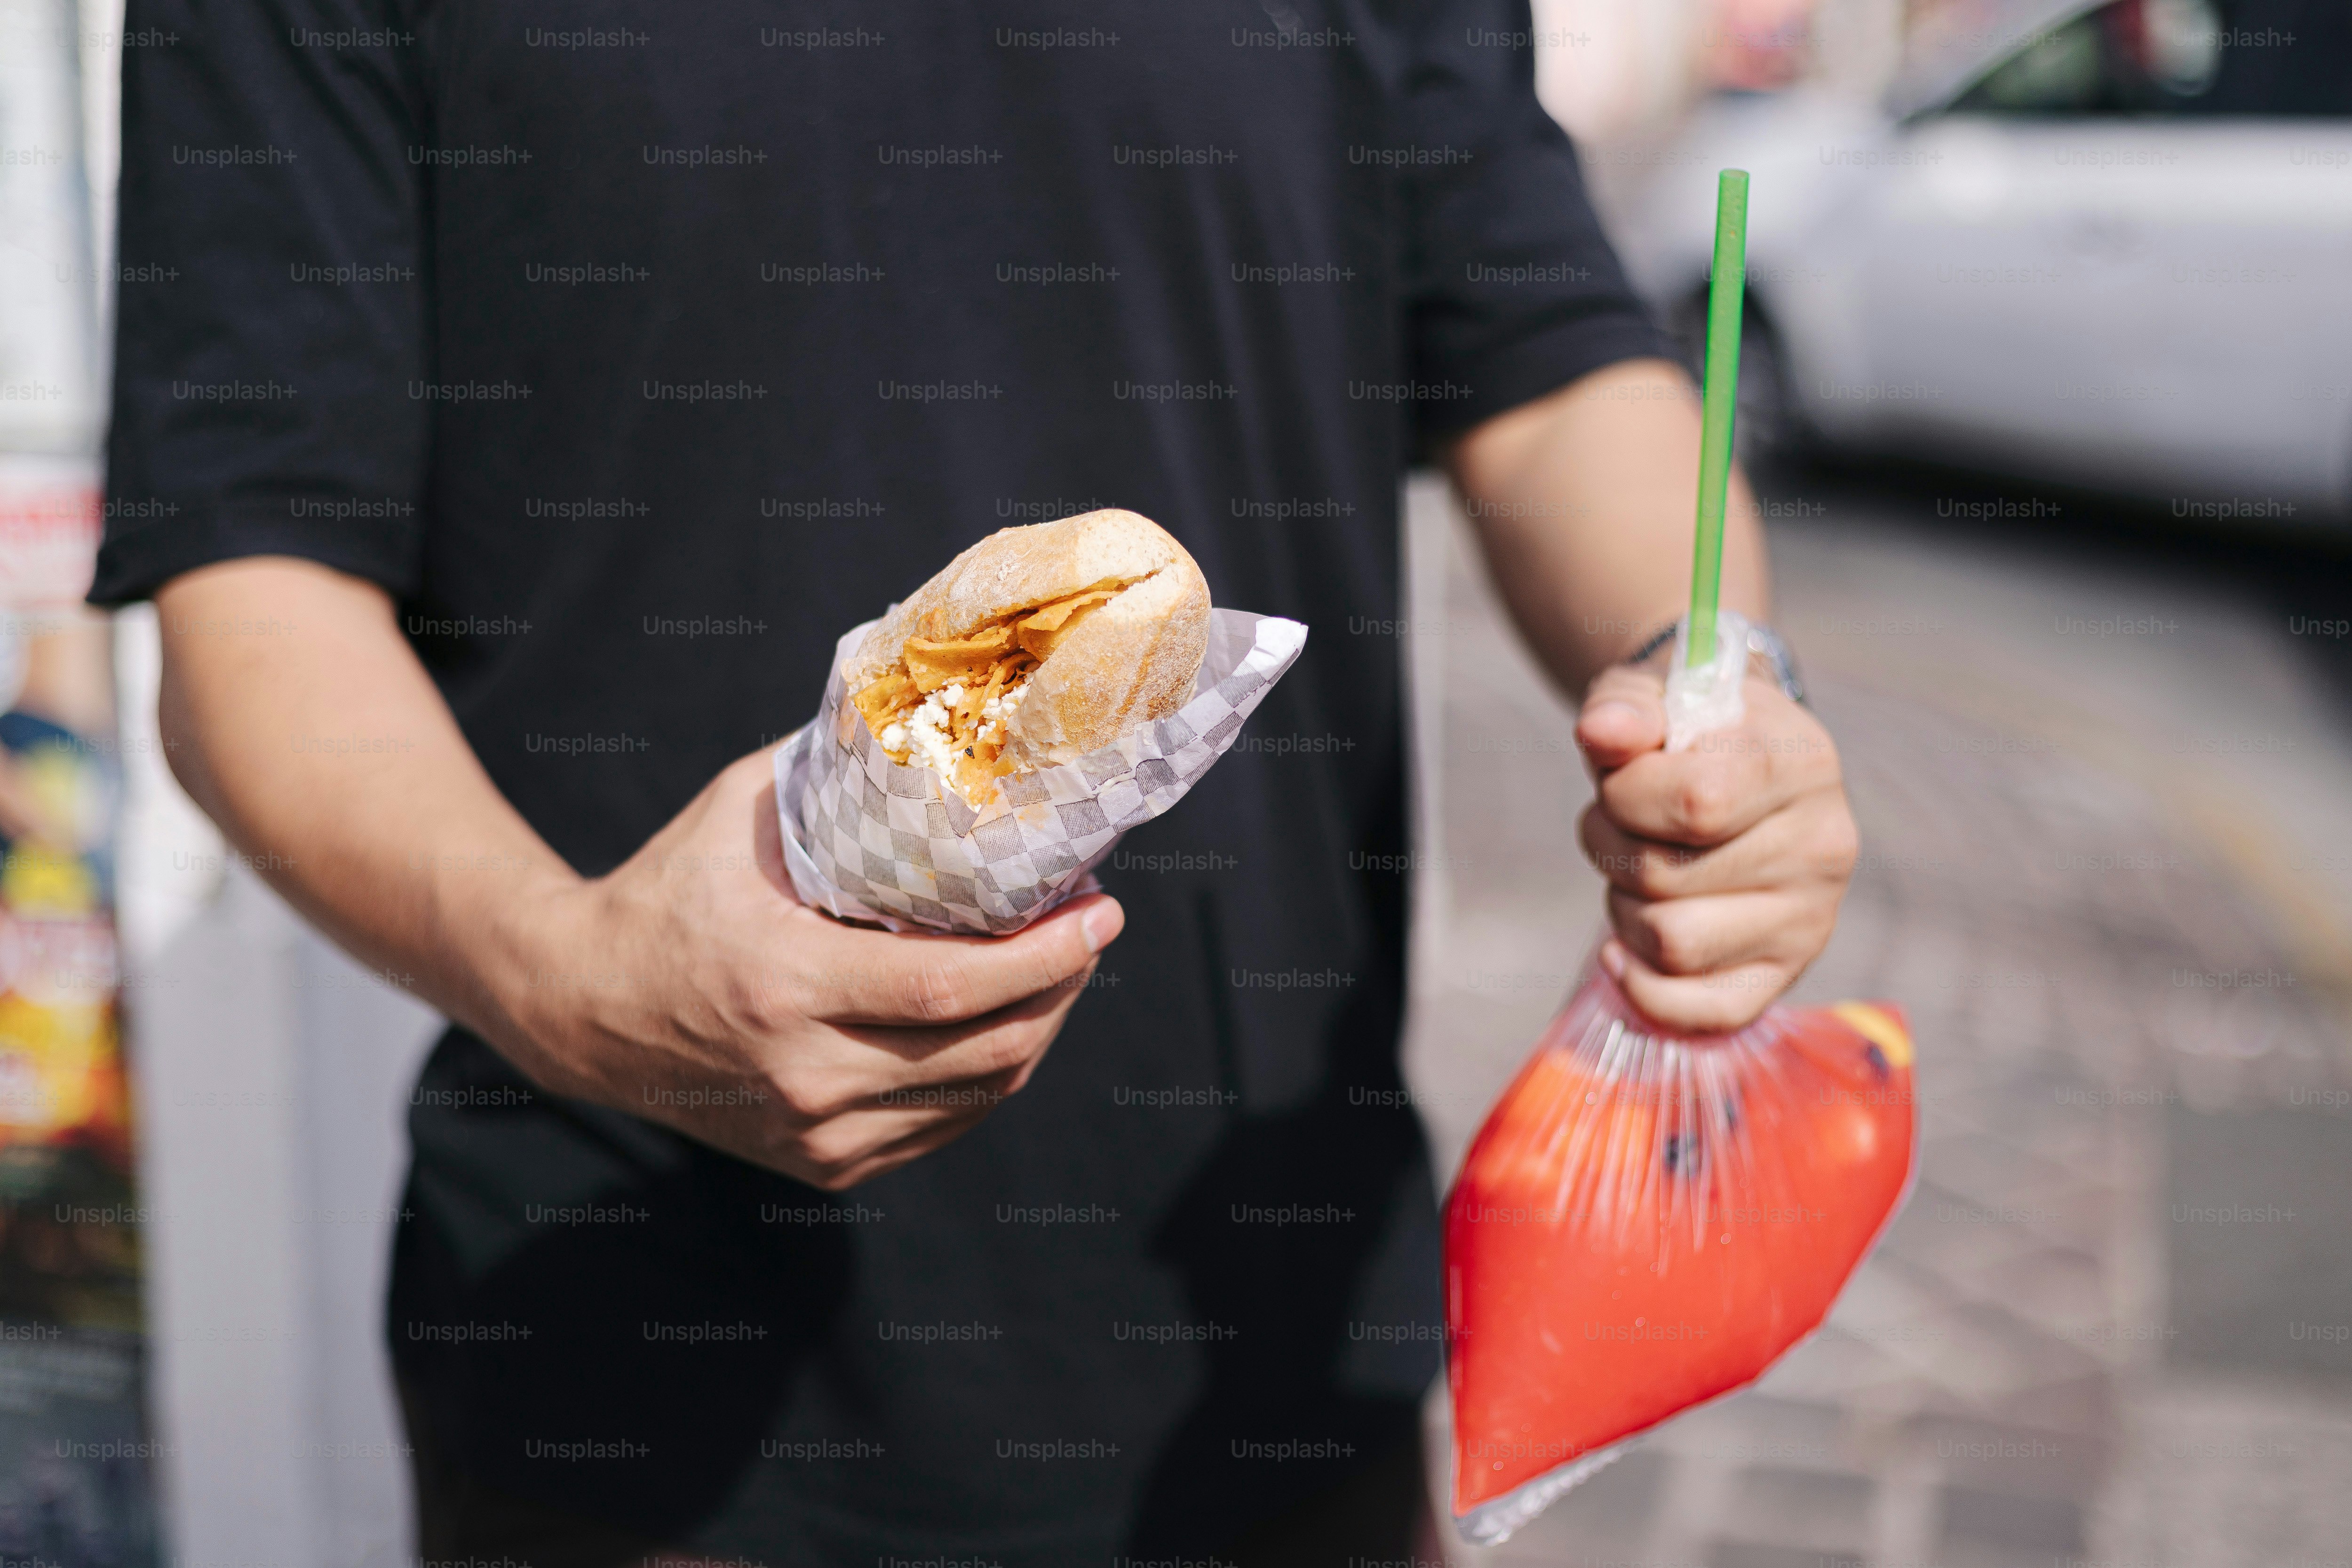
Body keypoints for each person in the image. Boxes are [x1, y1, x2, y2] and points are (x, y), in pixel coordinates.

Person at [100, 2, 1857, 1560]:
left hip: (1270, 1327)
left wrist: (1713, 681)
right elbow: (255, 599)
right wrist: (570, 977)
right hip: (633, 1386)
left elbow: (1549, 371)